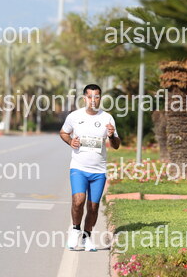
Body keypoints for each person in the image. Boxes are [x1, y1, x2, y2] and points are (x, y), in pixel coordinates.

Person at [59, 84, 121, 252]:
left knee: (93, 207)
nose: (93, 100)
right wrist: (70, 141)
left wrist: (111, 135)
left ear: (100, 98)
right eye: (90, 97)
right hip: (78, 168)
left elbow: (116, 145)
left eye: (97, 97)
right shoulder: (74, 116)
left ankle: (87, 237)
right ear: (84, 98)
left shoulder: (107, 118)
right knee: (78, 200)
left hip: (98, 171)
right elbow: (63, 132)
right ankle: (75, 230)